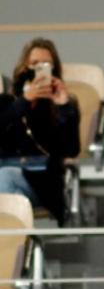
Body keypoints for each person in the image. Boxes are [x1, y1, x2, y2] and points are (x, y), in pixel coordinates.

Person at [0, 39, 81, 225]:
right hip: (8, 175)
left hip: (43, 182)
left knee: (5, 179)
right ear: (24, 68)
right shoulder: (7, 102)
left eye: (46, 64)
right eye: (35, 64)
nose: (40, 69)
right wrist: (25, 100)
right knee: (12, 195)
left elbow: (71, 149)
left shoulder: (64, 105)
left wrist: (63, 107)